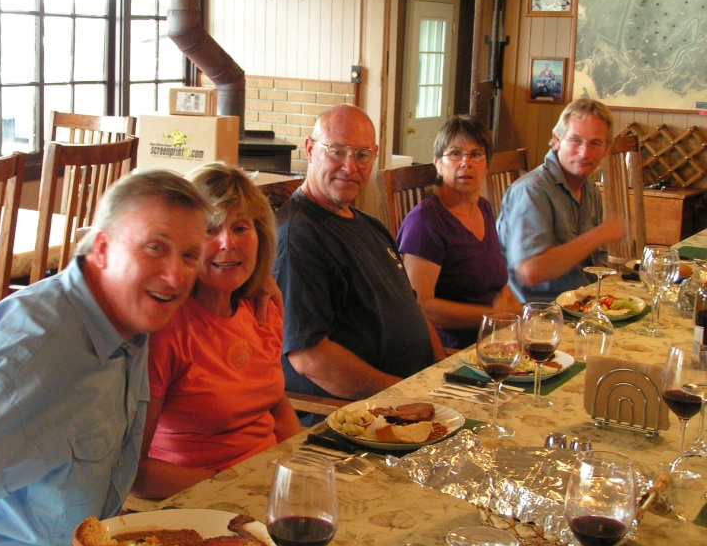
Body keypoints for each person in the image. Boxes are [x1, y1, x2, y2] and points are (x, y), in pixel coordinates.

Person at [0, 170, 210, 546]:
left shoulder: (129, 318)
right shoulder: (39, 348)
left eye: (189, 256)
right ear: (102, 249)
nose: (174, 276)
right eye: (154, 247)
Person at [132, 162, 302, 498]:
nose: (227, 243)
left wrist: (299, 471)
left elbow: (276, 404)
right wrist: (235, 490)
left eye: (240, 228)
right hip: (198, 498)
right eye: (210, 230)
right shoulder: (165, 330)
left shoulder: (262, 305)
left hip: (267, 485)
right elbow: (134, 474)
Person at [274, 104, 445, 426]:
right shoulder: (297, 238)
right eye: (337, 152)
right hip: (356, 419)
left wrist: (439, 374)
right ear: (310, 150)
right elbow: (310, 357)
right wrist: (405, 395)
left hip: (417, 402)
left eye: (363, 155)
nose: (350, 166)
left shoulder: (370, 225)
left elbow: (412, 309)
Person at [397, 115, 522, 350]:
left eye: (476, 154)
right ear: (438, 163)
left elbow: (495, 284)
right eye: (455, 153)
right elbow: (420, 307)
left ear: (487, 164)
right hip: (451, 350)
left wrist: (519, 314)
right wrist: (492, 315)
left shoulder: (483, 208)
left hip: (496, 341)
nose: (466, 162)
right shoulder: (425, 222)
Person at [497, 98, 626, 302]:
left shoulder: (590, 189)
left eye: (595, 143)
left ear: (607, 149)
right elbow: (531, 272)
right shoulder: (531, 191)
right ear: (557, 140)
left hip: (580, 305)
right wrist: (599, 235)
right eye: (575, 140)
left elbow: (596, 267)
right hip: (536, 315)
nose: (584, 152)